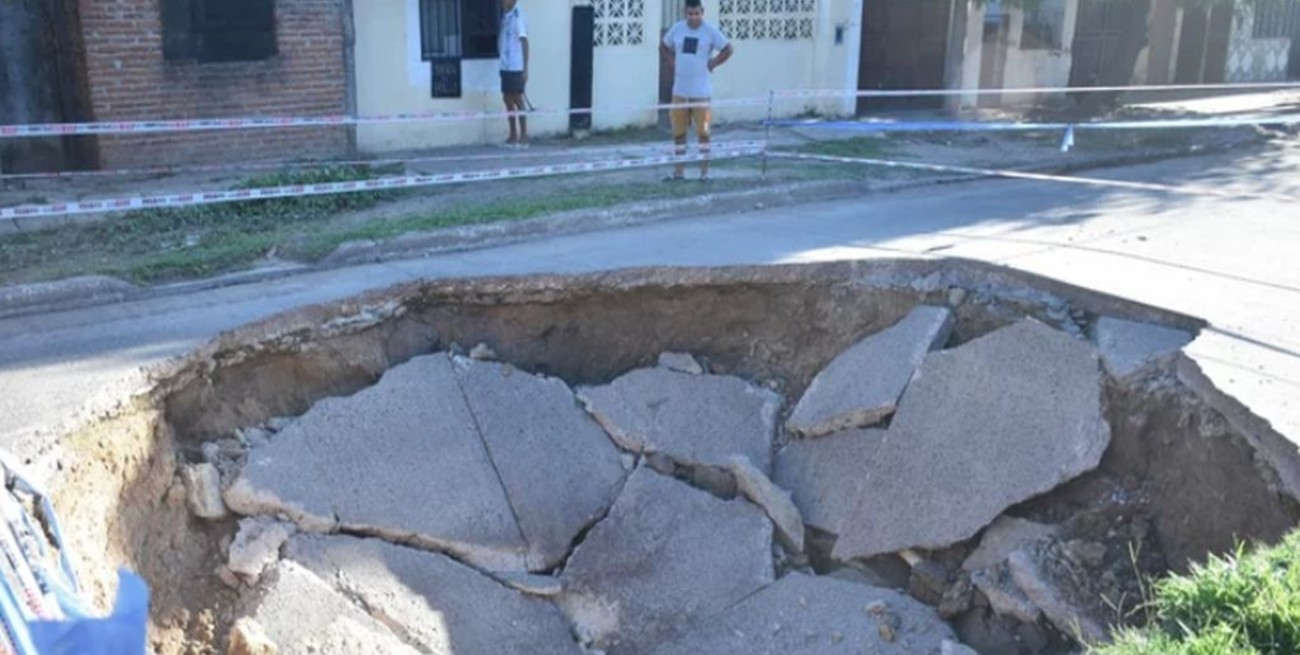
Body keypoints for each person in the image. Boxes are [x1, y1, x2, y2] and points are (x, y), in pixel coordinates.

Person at [660, 0, 733, 181]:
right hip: (679, 93)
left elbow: (728, 49)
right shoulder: (677, 29)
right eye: (690, 14)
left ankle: (704, 172)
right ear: (685, 12)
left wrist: (714, 62)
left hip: (702, 95)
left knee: (704, 134)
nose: (693, 17)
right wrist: (671, 61)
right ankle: (679, 172)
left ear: (702, 12)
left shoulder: (710, 31)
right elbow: (663, 46)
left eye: (697, 13)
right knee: (678, 134)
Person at [500, 0, 529, 148]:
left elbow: (524, 42)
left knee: (518, 99)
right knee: (507, 99)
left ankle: (524, 136)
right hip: (505, 65)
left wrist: (525, 69)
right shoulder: (506, 15)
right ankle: (513, 135)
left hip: (516, 66)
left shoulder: (518, 15)